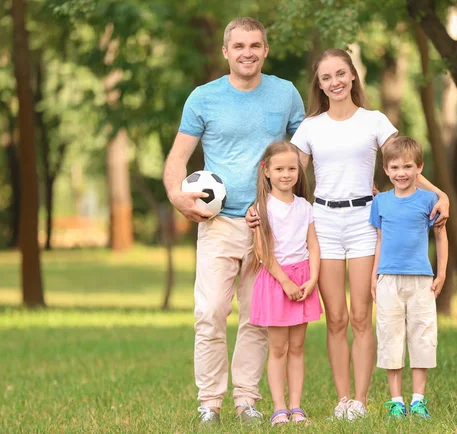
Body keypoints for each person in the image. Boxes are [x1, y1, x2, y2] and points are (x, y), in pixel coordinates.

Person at [248, 48, 450, 420]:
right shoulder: (311, 126)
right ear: (319, 84)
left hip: (363, 222)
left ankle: (360, 399)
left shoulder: (374, 121)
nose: (335, 82)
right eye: (326, 77)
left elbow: (404, 162)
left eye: (340, 74)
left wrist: (440, 194)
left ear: (353, 76)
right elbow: (287, 173)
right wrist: (256, 206)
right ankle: (343, 400)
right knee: (336, 318)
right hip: (323, 223)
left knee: (361, 316)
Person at [163, 17, 305, 425]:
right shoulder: (204, 98)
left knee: (257, 317)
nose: (248, 53)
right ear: (225, 51)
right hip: (218, 223)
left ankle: (246, 400)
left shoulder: (286, 94)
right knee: (209, 312)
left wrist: (285, 201)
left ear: (265, 49)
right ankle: (209, 402)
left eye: (255, 45)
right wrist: (178, 197)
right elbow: (177, 159)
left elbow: (303, 153)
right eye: (239, 46)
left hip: (269, 224)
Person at [369, 136, 448, 419]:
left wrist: (442, 272)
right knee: (390, 337)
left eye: (407, 166)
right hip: (388, 279)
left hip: (421, 280)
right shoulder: (381, 202)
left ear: (419, 168)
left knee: (422, 336)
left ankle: (418, 400)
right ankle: (396, 401)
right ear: (386, 170)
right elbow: (379, 241)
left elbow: (440, 236)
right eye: (395, 167)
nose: (401, 173)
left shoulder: (429, 200)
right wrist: (373, 277)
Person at [249, 141, 323, 426]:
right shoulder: (261, 208)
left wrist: (313, 277)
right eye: (279, 169)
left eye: (291, 168)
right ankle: (279, 407)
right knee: (278, 348)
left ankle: (296, 406)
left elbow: (313, 245)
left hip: (303, 279)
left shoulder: (305, 207)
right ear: (266, 171)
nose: (286, 174)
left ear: (299, 170)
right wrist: (285, 282)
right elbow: (262, 252)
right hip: (276, 281)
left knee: (298, 347)